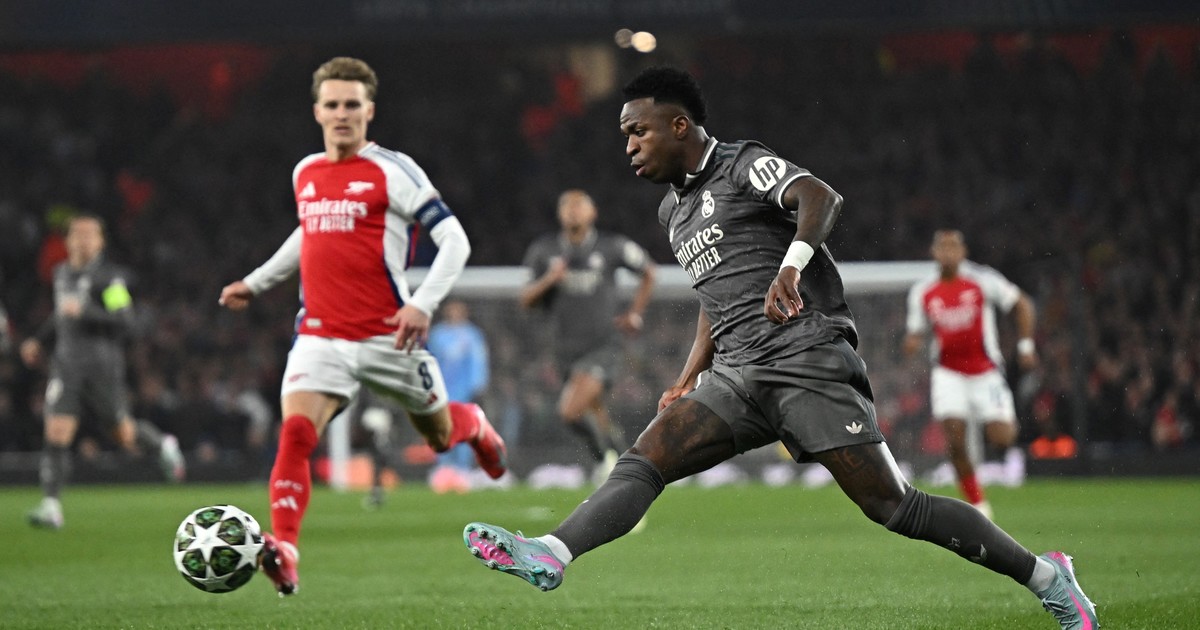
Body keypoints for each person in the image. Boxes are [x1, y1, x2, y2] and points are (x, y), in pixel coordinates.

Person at [461, 66, 1097, 629]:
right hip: (736, 376)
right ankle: (551, 551)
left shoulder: (742, 164)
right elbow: (715, 297)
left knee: (894, 506)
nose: (628, 146)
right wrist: (689, 375)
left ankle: (1047, 576)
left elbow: (820, 197)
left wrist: (790, 268)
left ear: (679, 126)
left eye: (638, 131)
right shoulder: (671, 213)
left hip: (804, 358)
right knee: (643, 461)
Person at [218, 56, 507, 596]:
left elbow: (455, 240)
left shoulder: (393, 171)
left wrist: (422, 304)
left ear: (369, 110)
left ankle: (474, 425)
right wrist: (255, 283)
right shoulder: (306, 172)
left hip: (388, 335)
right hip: (320, 334)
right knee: (296, 434)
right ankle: (287, 551)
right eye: (332, 105)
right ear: (317, 111)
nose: (342, 114)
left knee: (439, 436)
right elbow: (307, 234)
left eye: (352, 104)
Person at [21, 214, 186, 530]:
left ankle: (163, 445)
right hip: (66, 366)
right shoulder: (62, 274)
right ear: (68, 241)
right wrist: (39, 340)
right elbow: (62, 315)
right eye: (77, 234)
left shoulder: (110, 279)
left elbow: (126, 321)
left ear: (100, 242)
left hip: (102, 368)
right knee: (56, 431)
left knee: (123, 433)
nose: (83, 241)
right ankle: (51, 506)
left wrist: (87, 311)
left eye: (90, 235)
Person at [519, 189, 656, 481]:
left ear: (593, 213)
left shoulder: (611, 246)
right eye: (567, 206)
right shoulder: (544, 250)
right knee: (596, 412)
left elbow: (648, 271)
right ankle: (629, 468)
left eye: (580, 206)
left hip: (603, 345)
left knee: (570, 411)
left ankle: (605, 462)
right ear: (559, 214)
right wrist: (550, 279)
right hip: (564, 349)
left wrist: (635, 313)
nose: (573, 211)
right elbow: (526, 300)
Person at [903, 230, 1038, 519]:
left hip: (986, 371)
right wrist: (912, 343)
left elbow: (1023, 304)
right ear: (934, 253)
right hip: (948, 374)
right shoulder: (923, 291)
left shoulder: (982, 280)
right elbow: (915, 332)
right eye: (942, 247)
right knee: (954, 440)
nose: (948, 253)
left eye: (953, 247)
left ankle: (997, 431)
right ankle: (978, 503)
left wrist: (1026, 346)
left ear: (963, 252)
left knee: (1002, 437)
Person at [424, 299, 491, 493]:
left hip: (464, 392)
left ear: (464, 312)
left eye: (458, 310)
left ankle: (462, 471)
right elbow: (429, 359)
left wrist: (478, 385)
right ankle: (443, 470)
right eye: (451, 310)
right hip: (442, 391)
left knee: (463, 429)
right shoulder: (438, 334)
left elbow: (479, 361)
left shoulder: (472, 335)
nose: (455, 314)